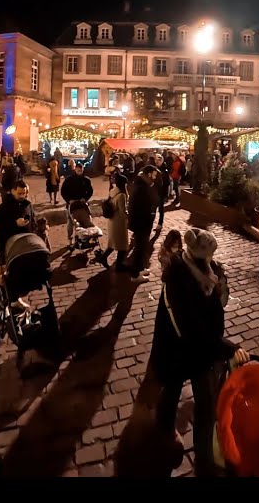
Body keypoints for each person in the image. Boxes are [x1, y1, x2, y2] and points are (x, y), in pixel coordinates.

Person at [148, 228, 247, 476]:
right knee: (172, 393)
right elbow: (192, 328)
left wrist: (219, 288)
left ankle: (204, 456)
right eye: (211, 254)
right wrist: (227, 347)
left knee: (205, 402)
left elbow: (214, 307)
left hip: (198, 351)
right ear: (199, 255)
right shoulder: (179, 279)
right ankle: (165, 435)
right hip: (180, 349)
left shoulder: (203, 271)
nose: (214, 258)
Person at [126, 165, 160, 278]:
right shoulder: (142, 186)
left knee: (141, 247)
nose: (154, 178)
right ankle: (135, 274)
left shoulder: (142, 183)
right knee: (139, 248)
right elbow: (142, 206)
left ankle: (140, 268)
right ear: (149, 174)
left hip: (141, 221)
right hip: (141, 222)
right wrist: (149, 216)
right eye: (154, 175)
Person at [0, 180, 35, 268]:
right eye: (19, 193)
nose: (22, 196)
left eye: (24, 193)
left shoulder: (28, 205)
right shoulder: (3, 208)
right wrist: (14, 223)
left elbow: (33, 222)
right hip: (9, 249)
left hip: (26, 247)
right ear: (13, 191)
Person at [97, 172, 130, 269]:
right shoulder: (122, 195)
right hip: (119, 222)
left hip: (112, 220)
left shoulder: (112, 191)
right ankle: (119, 265)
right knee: (122, 244)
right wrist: (129, 218)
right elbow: (123, 211)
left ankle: (103, 257)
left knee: (113, 243)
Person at [60, 162, 93, 238]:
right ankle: (70, 238)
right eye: (78, 171)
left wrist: (85, 198)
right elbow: (63, 192)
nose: (79, 172)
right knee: (70, 222)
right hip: (71, 204)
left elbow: (90, 191)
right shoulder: (69, 179)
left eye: (81, 171)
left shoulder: (86, 180)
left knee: (85, 220)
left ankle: (84, 237)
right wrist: (69, 200)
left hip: (82, 204)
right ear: (75, 169)